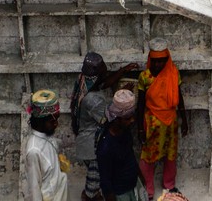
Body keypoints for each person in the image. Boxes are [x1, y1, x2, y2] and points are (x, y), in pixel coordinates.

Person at [71, 53, 140, 201]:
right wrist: (121, 98)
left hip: (88, 138)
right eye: (104, 72)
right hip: (91, 145)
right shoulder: (92, 100)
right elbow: (110, 116)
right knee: (94, 185)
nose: (106, 73)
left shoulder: (85, 81)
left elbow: (104, 83)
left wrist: (123, 70)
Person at [136, 39, 187, 199]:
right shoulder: (144, 77)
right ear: (151, 60)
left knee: (170, 154)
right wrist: (139, 128)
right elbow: (140, 104)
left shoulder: (173, 73)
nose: (158, 65)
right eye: (155, 61)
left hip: (170, 121)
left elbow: (180, 97)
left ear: (166, 60)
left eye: (161, 61)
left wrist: (184, 120)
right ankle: (148, 190)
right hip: (152, 122)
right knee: (148, 156)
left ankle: (169, 185)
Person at [95, 90, 145, 201]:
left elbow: (130, 154)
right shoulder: (105, 147)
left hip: (133, 184)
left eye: (133, 116)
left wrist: (140, 176)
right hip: (120, 192)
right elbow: (105, 181)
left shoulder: (125, 131)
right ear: (116, 119)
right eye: (128, 118)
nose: (132, 121)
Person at [25, 89, 70, 201]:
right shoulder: (34, 151)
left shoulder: (47, 135)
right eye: (52, 121)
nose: (56, 124)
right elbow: (34, 188)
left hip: (58, 190)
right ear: (40, 121)